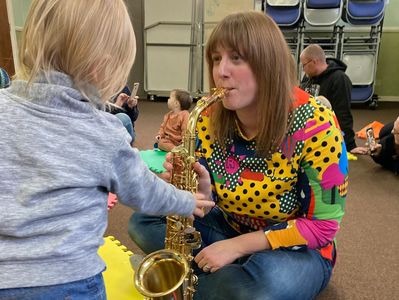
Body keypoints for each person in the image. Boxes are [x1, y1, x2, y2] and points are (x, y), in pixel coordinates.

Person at [0, 1, 214, 299]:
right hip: (70, 281)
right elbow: (145, 191)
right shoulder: (103, 130)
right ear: (102, 66)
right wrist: (186, 200)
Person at [129, 11, 348, 300]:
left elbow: (323, 227)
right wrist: (199, 192)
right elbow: (209, 203)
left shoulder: (315, 123)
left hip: (296, 249)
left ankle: (195, 278)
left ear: (268, 63)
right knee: (142, 221)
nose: (221, 71)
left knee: (257, 290)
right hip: (229, 225)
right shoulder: (207, 117)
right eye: (216, 59)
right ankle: (220, 278)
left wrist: (237, 247)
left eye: (236, 58)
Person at [300, 44, 367, 155]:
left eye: (304, 65)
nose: (303, 69)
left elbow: (343, 113)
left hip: (326, 130)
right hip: (308, 128)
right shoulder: (308, 77)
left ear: (314, 62)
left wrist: (350, 145)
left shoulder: (339, 79)